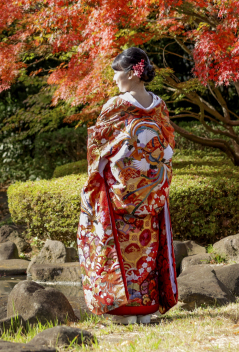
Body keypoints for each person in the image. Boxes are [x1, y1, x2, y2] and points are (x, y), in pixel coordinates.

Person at [77, 47, 178, 323]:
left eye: (117, 72)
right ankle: (145, 308)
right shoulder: (159, 106)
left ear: (133, 73)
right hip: (151, 193)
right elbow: (168, 147)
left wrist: (95, 180)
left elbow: (98, 147)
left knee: (121, 247)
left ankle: (124, 311)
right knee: (146, 247)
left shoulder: (116, 105)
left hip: (119, 192)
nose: (114, 79)